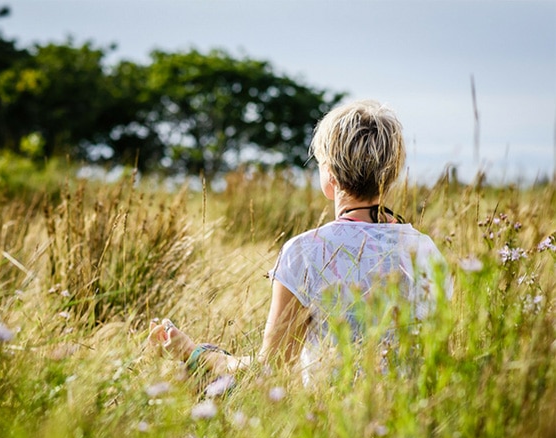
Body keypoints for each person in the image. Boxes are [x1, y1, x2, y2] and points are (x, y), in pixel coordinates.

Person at [148, 99, 452, 385]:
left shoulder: (306, 252)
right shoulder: (425, 249)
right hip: (414, 426)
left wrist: (195, 353)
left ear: (330, 174)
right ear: (392, 172)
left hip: (329, 425)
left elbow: (270, 369)